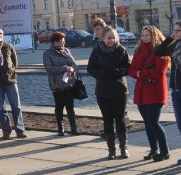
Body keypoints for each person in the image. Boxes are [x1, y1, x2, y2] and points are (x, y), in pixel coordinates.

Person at [154, 19, 181, 168]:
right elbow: (158, 51)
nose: (175, 32)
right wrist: (170, 38)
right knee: (180, 124)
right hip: (176, 90)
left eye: (178, 30)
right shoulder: (175, 45)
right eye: (174, 30)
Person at [87, 27, 131, 159]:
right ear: (103, 38)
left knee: (120, 119)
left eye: (113, 37)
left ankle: (124, 147)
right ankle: (111, 149)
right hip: (103, 90)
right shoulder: (97, 51)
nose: (111, 40)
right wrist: (102, 73)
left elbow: (128, 68)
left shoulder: (121, 50)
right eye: (109, 38)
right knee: (107, 120)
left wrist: (117, 72)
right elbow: (91, 68)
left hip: (119, 89)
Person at [129, 25, 170, 161]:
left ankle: (165, 150)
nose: (145, 37)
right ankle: (154, 149)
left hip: (155, 91)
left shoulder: (160, 51)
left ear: (154, 36)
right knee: (147, 123)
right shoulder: (139, 50)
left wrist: (141, 73)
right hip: (141, 91)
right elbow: (132, 70)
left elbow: (159, 72)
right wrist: (141, 73)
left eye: (147, 35)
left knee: (153, 122)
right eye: (143, 35)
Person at [42, 31, 79, 136]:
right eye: (62, 41)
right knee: (59, 107)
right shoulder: (47, 53)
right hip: (57, 85)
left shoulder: (66, 51)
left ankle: (74, 128)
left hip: (69, 83)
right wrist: (65, 68)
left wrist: (72, 69)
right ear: (55, 42)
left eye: (64, 41)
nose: (64, 43)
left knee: (70, 107)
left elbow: (74, 64)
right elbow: (49, 69)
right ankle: (60, 128)